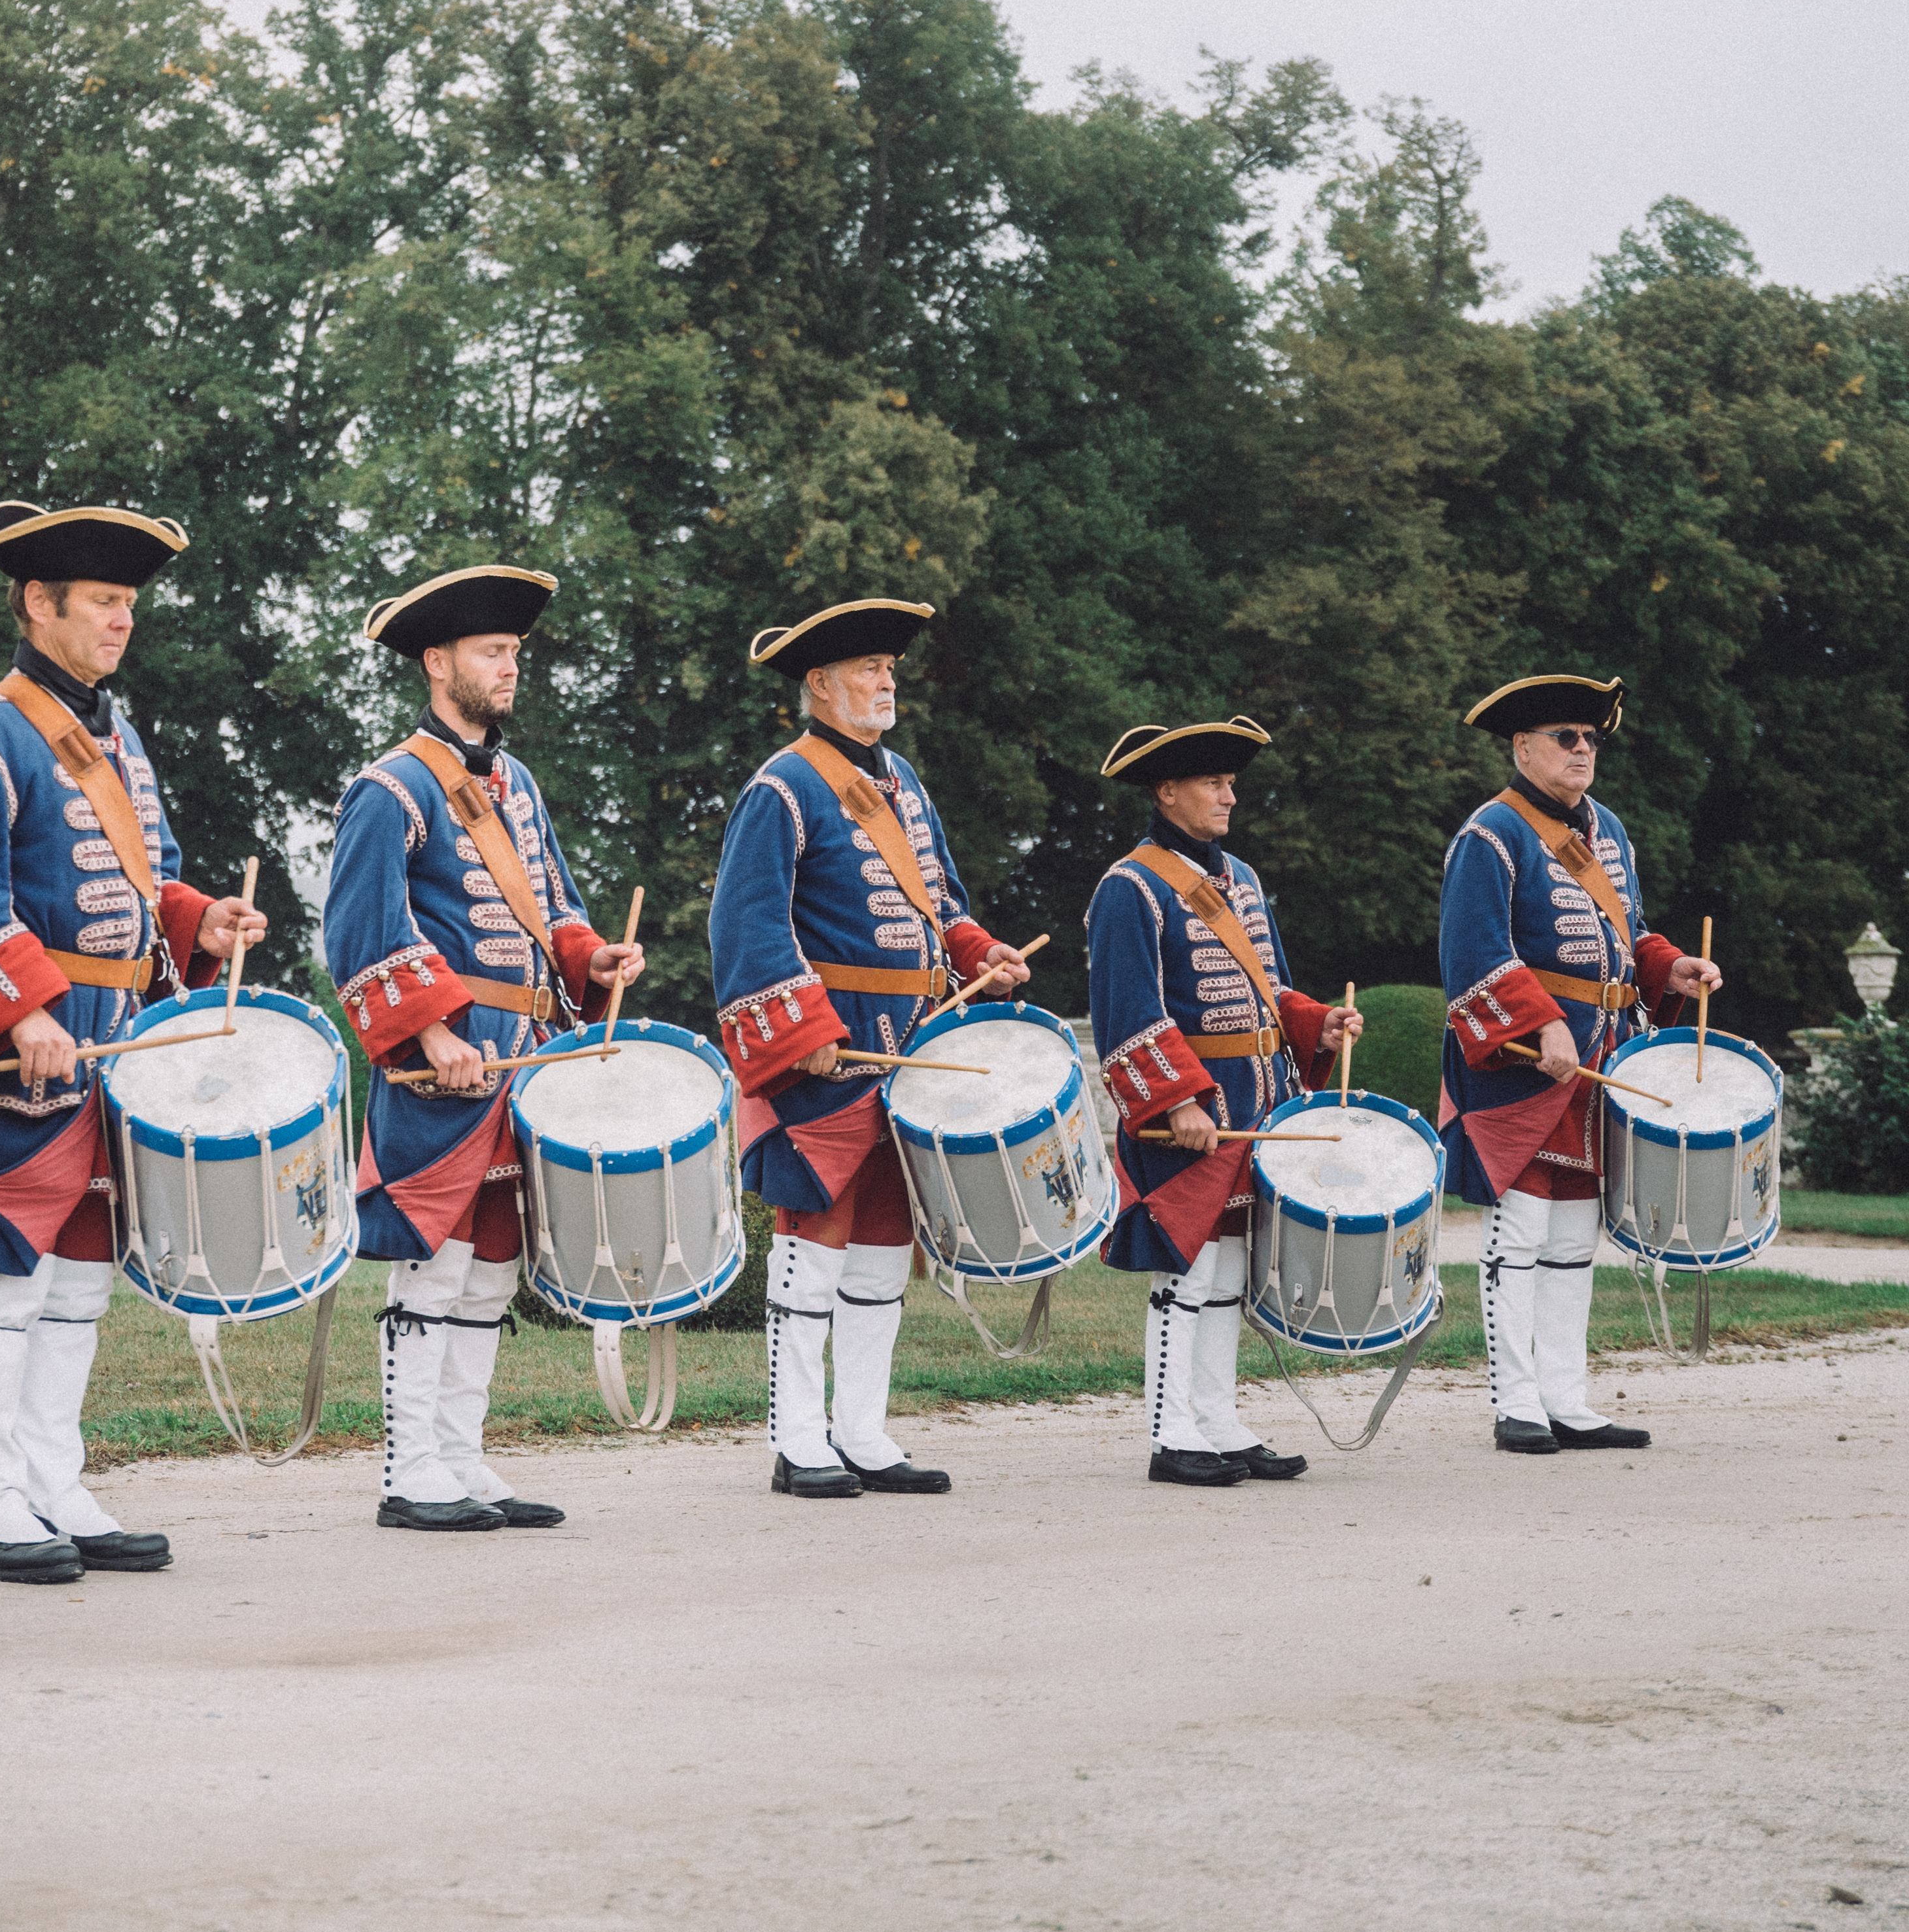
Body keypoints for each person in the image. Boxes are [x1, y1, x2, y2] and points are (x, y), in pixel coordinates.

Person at [0, 500, 267, 1583]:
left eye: (128, 604)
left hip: (117, 1042)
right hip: (36, 1048)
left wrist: (202, 920)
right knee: (10, 1283)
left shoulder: (117, 735)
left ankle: (52, 1483)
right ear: (38, 603)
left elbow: (138, 888)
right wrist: (21, 1011)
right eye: (103, 602)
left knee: (80, 1286)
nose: (121, 622)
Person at [323, 565, 644, 1533]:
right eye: (492, 653)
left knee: (493, 1268)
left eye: (515, 654)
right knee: (435, 1265)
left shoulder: (519, 785)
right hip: (448, 1064)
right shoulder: (390, 789)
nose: (510, 669)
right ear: (438, 662)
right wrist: (429, 1028)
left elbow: (556, 913)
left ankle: (461, 1461)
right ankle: (408, 1470)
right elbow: (360, 930)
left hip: (525, 1058)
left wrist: (598, 958)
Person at [707, 598, 1024, 1500]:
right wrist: (804, 1037)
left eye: (891, 667)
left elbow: (943, 905)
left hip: (914, 1049)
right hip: (833, 1049)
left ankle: (864, 1432)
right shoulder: (783, 787)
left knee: (885, 1245)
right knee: (818, 1241)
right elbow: (749, 927)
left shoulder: (906, 784)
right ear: (819, 684)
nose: (887, 681)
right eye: (869, 668)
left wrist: (981, 953)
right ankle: (797, 1440)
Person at [1439, 674, 1721, 1455]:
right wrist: (1537, 1026)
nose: (1581, 749)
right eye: (1565, 736)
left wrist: (1668, 968)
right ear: (1521, 747)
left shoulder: (1610, 831)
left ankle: (1566, 1398)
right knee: (1520, 1227)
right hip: (1522, 1062)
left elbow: (1626, 934)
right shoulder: (1489, 834)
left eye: (1590, 738)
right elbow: (1471, 954)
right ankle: (1514, 1402)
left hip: (1596, 1053)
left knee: (1572, 1231)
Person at [1087, 717, 1363, 1490]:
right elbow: (1125, 1007)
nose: (1228, 796)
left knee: (1231, 1271)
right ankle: (1170, 1433)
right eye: (1212, 782)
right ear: (1167, 790)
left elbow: (1264, 989)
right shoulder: (1130, 885)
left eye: (1230, 782)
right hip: (1193, 1112)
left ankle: (1216, 1420)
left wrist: (1316, 1023)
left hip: (1255, 1104)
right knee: (1188, 1271)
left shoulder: (1237, 876)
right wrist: (1175, 1100)